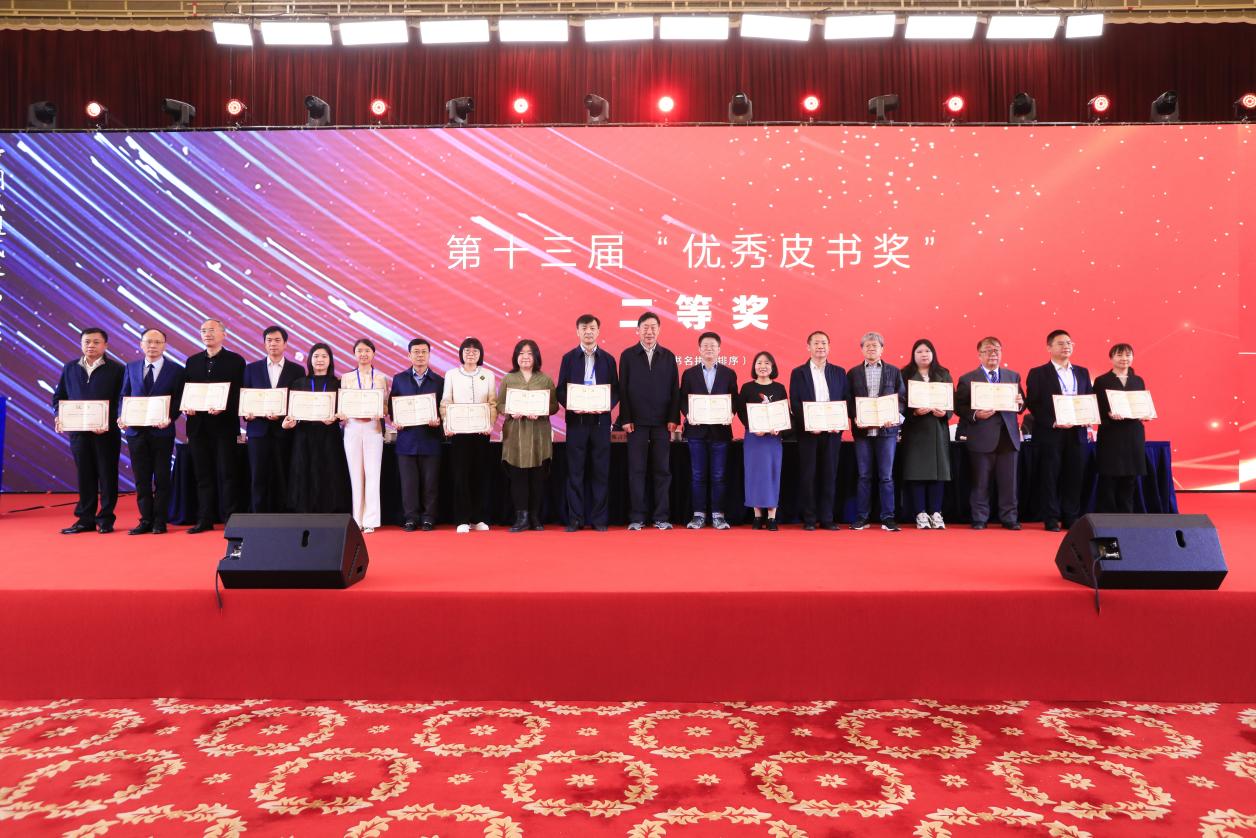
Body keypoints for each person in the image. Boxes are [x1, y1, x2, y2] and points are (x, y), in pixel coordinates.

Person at [52, 327, 125, 534]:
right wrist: (59, 416)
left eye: (96, 342)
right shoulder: (70, 368)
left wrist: (108, 422)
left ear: (105, 345)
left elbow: (122, 400)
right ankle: (85, 519)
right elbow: (59, 397)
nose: (91, 345)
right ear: (81, 344)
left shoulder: (117, 369)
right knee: (85, 475)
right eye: (86, 342)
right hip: (78, 432)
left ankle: (106, 519)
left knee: (107, 475)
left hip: (106, 433)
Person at [555, 314, 619, 532]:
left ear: (598, 331)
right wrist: (571, 405)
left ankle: (599, 519)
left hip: (600, 422)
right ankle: (575, 519)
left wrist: (605, 405)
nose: (588, 332)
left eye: (592, 328)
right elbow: (561, 389)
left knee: (601, 471)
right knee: (575, 471)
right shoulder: (569, 358)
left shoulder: (608, 359)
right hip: (577, 422)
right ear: (578, 332)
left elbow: (615, 390)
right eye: (584, 328)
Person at [117, 328, 184, 535]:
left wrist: (170, 417)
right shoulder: (131, 367)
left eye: (157, 342)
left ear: (164, 345)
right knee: (141, 478)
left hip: (162, 432)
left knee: (162, 478)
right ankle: (145, 519)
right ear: (141, 344)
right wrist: (122, 416)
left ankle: (160, 520)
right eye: (148, 342)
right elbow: (124, 395)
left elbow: (179, 400)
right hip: (136, 432)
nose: (152, 346)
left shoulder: (176, 370)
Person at [1025, 329, 1093, 532]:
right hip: (1050, 432)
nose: (1066, 346)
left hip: (1077, 432)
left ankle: (1071, 517)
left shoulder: (1082, 372)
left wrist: (1088, 418)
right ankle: (1051, 518)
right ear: (1049, 347)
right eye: (1061, 343)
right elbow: (1033, 404)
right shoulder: (1038, 373)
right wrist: (1053, 422)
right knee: (1050, 476)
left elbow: (1088, 398)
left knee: (1074, 475)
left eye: (1069, 343)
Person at [618, 312, 681, 531]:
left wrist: (673, 418)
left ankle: (661, 516)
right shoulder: (628, 355)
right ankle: (637, 517)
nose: (649, 331)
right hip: (636, 423)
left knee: (662, 470)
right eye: (645, 327)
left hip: (663, 423)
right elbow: (623, 389)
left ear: (659, 330)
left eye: (653, 327)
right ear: (638, 330)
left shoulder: (668, 356)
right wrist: (625, 418)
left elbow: (675, 390)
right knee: (636, 470)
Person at [182, 319, 245, 534]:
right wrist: (187, 407)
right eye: (203, 331)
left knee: (227, 474)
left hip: (224, 426)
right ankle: (204, 518)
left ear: (224, 334)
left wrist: (224, 407)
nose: (207, 334)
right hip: (198, 427)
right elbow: (187, 391)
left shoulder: (236, 361)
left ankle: (230, 518)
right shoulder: (192, 361)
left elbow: (240, 393)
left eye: (211, 330)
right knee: (203, 475)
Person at [955, 336, 1025, 530]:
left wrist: (1020, 403)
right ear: (979, 355)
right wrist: (975, 414)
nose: (993, 354)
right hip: (981, 436)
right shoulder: (967, 379)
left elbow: (1021, 403)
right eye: (988, 350)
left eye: (997, 350)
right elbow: (959, 407)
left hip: (1008, 436)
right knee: (980, 481)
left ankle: (1009, 518)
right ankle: (979, 518)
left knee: (1009, 482)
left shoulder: (1013, 376)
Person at [846, 331, 907, 532]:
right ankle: (862, 517)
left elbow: (901, 400)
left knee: (886, 476)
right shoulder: (853, 373)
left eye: (875, 345)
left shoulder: (894, 371)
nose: (871, 349)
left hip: (886, 432)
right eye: (867, 346)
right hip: (862, 432)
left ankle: (888, 517)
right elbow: (849, 400)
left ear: (882, 349)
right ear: (862, 349)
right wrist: (855, 416)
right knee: (864, 475)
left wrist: (895, 417)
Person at [789, 331, 848, 531]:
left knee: (829, 475)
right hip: (808, 433)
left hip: (832, 432)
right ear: (808, 347)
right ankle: (809, 518)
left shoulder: (839, 372)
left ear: (829, 347)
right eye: (816, 343)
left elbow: (845, 400)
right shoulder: (798, 372)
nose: (820, 346)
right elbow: (795, 403)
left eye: (823, 343)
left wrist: (839, 422)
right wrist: (809, 424)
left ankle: (827, 518)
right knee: (808, 475)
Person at [679, 331, 739, 529]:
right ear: (699, 349)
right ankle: (698, 515)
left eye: (713, 346)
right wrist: (688, 414)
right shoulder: (689, 373)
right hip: (696, 433)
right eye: (705, 346)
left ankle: (718, 515)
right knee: (698, 475)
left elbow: (734, 400)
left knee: (718, 475)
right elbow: (683, 399)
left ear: (719, 349)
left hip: (720, 433)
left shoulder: (729, 373)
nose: (709, 349)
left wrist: (730, 413)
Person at [241, 325, 304, 513]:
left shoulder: (297, 370)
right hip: (258, 431)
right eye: (269, 340)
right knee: (258, 476)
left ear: (285, 344)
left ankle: (284, 515)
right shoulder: (251, 369)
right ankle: (258, 515)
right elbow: (245, 398)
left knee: (284, 475)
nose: (273, 344)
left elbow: (298, 401)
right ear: (264, 344)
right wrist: (247, 414)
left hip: (284, 431)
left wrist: (285, 416)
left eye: (277, 340)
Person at [498, 339, 559, 532]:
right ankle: (521, 517)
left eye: (529, 353)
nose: (525, 357)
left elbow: (554, 406)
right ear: (516, 357)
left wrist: (541, 411)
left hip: (538, 433)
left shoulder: (545, 379)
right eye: (521, 353)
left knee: (537, 477)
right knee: (518, 477)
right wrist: (510, 410)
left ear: (536, 357)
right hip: (515, 433)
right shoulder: (509, 379)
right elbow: (499, 404)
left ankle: (534, 516)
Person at [283, 344, 352, 514]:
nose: (320, 360)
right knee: (304, 470)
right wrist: (289, 422)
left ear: (330, 360)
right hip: (304, 434)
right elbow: (292, 412)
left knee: (330, 470)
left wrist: (338, 417)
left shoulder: (338, 384)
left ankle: (330, 510)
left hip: (329, 434)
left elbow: (343, 410)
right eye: (316, 356)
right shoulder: (299, 383)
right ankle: (304, 510)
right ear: (310, 360)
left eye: (324, 356)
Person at [442, 337, 498, 533]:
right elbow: (446, 402)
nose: (471, 354)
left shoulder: (488, 375)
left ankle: (478, 518)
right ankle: (462, 519)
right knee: (461, 476)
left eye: (475, 351)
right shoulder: (451, 374)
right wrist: (448, 423)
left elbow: (492, 403)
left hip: (481, 432)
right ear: (461, 353)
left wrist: (490, 423)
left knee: (480, 475)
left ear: (480, 354)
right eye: (467, 350)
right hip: (459, 432)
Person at [899, 339, 953, 529]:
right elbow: (899, 402)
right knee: (917, 471)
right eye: (919, 351)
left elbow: (951, 402)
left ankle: (936, 512)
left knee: (938, 473)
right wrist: (913, 412)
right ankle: (920, 513)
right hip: (915, 430)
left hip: (937, 429)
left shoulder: (943, 373)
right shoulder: (904, 374)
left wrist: (944, 413)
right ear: (913, 355)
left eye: (927, 351)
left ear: (933, 353)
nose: (924, 354)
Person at [391, 338, 445, 531]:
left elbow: (443, 409)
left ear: (429, 355)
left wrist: (439, 420)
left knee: (430, 483)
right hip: (406, 440)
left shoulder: (439, 381)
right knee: (409, 484)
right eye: (416, 352)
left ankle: (429, 517)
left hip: (430, 439)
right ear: (409, 355)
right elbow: (392, 406)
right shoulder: (399, 379)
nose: (420, 355)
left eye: (424, 352)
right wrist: (396, 419)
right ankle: (411, 518)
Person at [340, 338, 390, 533]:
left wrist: (381, 411)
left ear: (373, 354)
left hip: (373, 428)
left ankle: (371, 520)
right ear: (354, 354)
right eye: (360, 351)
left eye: (367, 350)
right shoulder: (346, 377)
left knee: (373, 474)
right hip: (352, 427)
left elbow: (385, 406)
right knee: (355, 475)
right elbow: (343, 404)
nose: (363, 354)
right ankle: (357, 519)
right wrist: (342, 413)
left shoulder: (381, 377)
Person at [1094, 343, 1149, 514]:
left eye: (1128, 355)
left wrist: (1145, 413)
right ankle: (1108, 515)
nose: (1124, 359)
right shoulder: (1102, 381)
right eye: (1119, 355)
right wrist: (1108, 415)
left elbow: (1141, 404)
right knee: (1109, 477)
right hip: (1111, 434)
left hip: (1133, 434)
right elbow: (1095, 408)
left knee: (1130, 478)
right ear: (1111, 358)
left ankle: (1126, 515)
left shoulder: (1138, 380)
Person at [738, 351, 788, 531]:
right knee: (754, 475)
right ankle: (757, 516)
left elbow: (784, 412)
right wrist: (754, 427)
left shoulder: (779, 388)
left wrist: (779, 427)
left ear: (772, 367)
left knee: (772, 474)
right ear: (754, 366)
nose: (763, 366)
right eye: (759, 363)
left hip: (773, 439)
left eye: (767, 363)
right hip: (754, 438)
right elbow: (741, 412)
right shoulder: (747, 388)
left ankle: (772, 517)